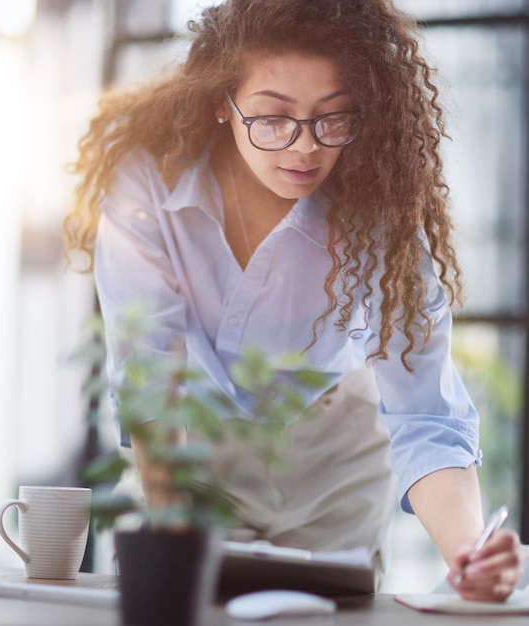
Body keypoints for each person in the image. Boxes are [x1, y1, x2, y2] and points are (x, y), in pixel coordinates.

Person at [65, 0, 524, 601]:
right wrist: (179, 538)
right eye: (273, 119)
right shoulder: (145, 183)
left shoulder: (379, 215)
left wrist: (471, 556)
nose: (305, 148)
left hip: (333, 468)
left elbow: (426, 413)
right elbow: (153, 377)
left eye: (334, 118)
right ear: (220, 105)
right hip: (188, 456)